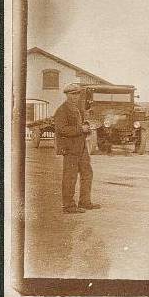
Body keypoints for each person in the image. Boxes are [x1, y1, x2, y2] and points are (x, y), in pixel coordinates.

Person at [54, 83, 101, 214]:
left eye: (77, 94)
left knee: (87, 173)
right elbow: (61, 129)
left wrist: (86, 125)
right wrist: (81, 129)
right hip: (70, 148)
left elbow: (80, 124)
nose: (76, 97)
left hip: (81, 146)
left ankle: (85, 202)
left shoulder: (78, 109)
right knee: (70, 176)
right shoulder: (62, 110)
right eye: (73, 94)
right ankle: (68, 206)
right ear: (67, 95)